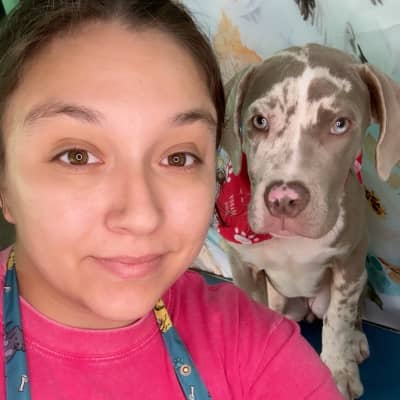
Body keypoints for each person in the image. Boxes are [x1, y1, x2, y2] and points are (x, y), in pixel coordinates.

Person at [0, 1, 344, 399]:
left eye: (179, 158)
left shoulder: (252, 344)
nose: (142, 216)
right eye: (77, 156)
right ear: (5, 182)